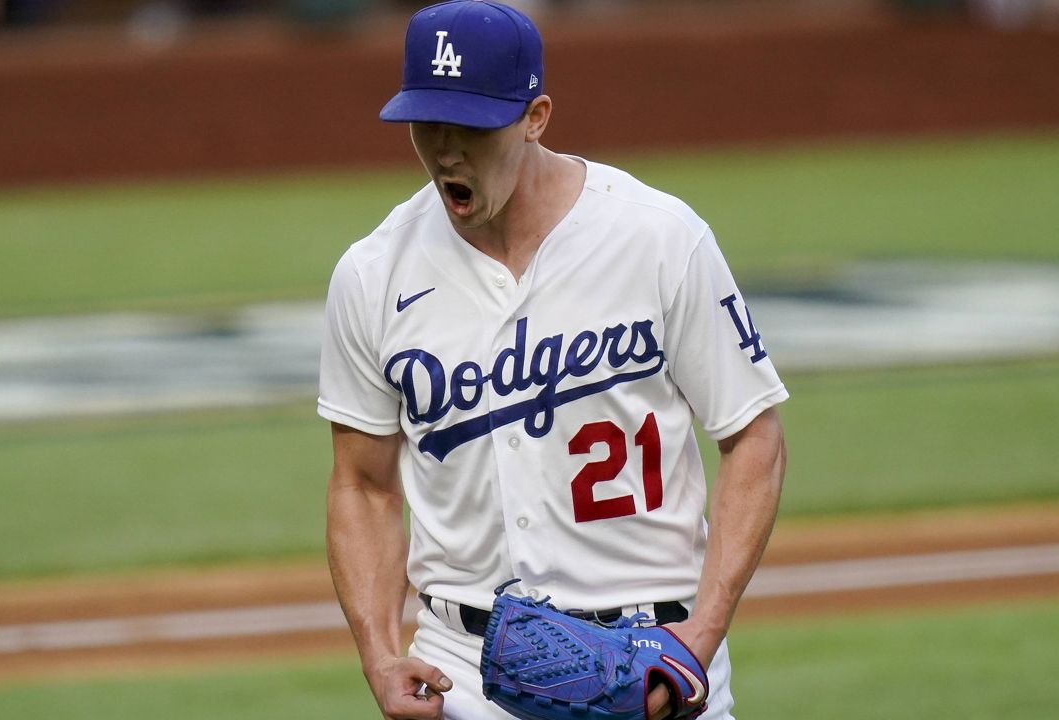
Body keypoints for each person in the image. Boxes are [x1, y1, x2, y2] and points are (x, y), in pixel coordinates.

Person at [318, 2, 788, 718]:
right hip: (465, 676)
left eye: (471, 126)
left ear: (535, 116)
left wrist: (704, 632)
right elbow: (363, 485)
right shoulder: (373, 273)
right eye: (426, 122)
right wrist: (380, 652)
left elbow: (753, 436)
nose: (446, 149)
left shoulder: (657, 239)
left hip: (656, 656)